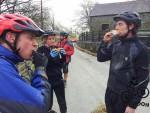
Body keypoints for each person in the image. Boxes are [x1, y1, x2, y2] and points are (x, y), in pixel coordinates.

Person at [97, 12, 149, 113]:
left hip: (124, 99)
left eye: (120, 24)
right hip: (110, 93)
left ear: (131, 26)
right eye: (116, 24)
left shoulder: (142, 49)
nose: (116, 27)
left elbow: (143, 80)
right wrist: (104, 42)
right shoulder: (115, 43)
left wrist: (132, 105)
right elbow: (100, 58)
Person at [0, 13, 51, 113]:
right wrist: (40, 69)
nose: (36, 44)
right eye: (31, 38)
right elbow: (40, 105)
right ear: (11, 37)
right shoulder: (1, 67)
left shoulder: (7, 62)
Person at [37, 31, 67, 113]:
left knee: (62, 102)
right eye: (50, 39)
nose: (52, 40)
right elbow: (42, 66)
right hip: (47, 81)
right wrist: (49, 57)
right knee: (48, 103)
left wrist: (63, 57)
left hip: (58, 79)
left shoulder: (55, 49)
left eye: (53, 38)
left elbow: (60, 65)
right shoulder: (40, 50)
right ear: (45, 40)